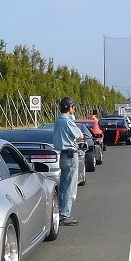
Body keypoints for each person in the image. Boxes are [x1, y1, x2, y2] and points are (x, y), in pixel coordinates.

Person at [52, 96, 84, 226]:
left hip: (63, 155)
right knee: (70, 186)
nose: (74, 108)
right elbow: (80, 135)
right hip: (70, 155)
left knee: (64, 185)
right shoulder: (67, 121)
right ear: (69, 107)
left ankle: (61, 212)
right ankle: (65, 214)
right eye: (73, 106)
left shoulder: (58, 120)